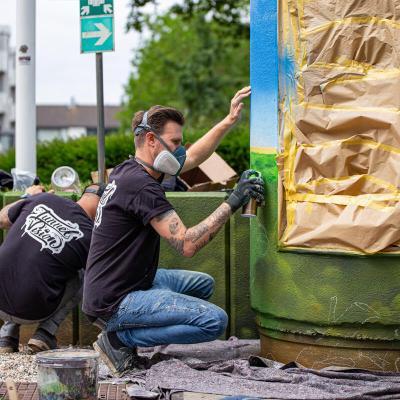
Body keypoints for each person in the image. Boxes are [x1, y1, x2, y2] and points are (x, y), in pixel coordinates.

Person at [82, 86, 264, 376]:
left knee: (202, 284)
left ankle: (143, 316)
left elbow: (191, 159)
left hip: (121, 281)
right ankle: (118, 339)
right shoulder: (142, 186)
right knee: (214, 321)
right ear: (151, 140)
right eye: (175, 142)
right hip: (115, 299)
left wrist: (228, 121)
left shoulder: (130, 169)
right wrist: (233, 201)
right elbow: (187, 245)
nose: (180, 149)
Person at [0, 183, 105, 353]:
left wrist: (28, 197)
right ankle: (45, 333)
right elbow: (101, 278)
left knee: (23, 248)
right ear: (103, 207)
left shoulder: (43, 199)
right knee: (86, 273)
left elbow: (2, 218)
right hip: (33, 310)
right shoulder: (91, 235)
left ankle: (6, 336)